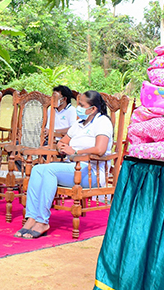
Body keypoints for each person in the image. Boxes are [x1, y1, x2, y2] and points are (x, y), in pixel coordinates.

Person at [14, 90, 113, 239]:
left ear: (93, 109)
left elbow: (100, 149)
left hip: (90, 172)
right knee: (37, 169)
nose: (77, 107)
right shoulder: (79, 124)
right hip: (72, 167)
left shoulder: (102, 122)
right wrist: (61, 147)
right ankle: (31, 218)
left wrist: (75, 151)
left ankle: (42, 221)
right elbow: (63, 141)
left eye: (81, 105)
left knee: (49, 170)